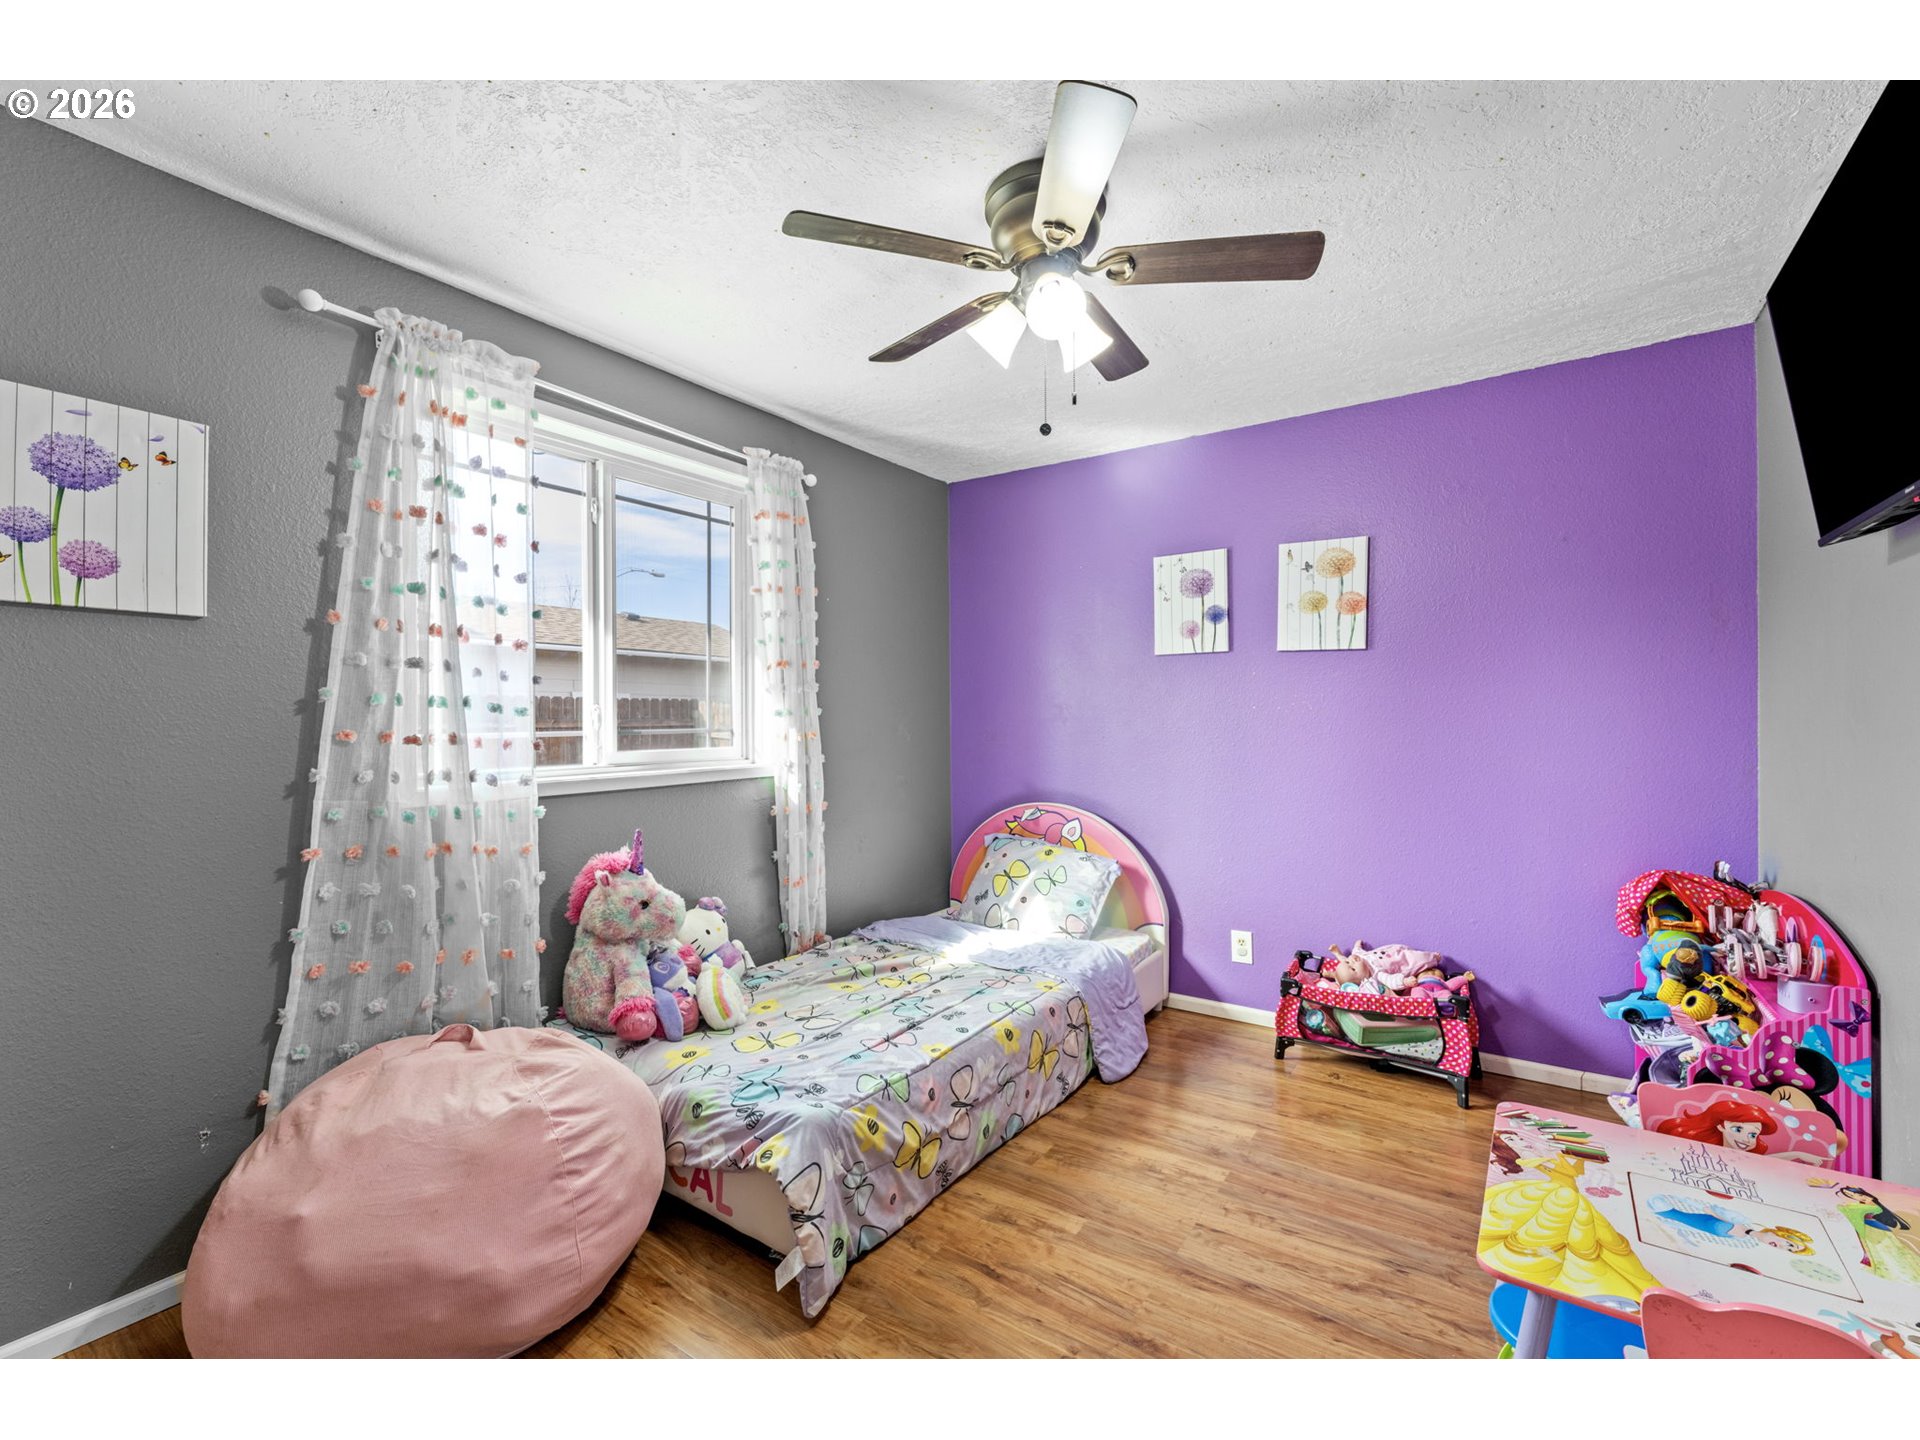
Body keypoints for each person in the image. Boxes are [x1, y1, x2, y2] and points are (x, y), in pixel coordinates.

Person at [1652, 1097, 1779, 1154]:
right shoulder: (1701, 1145)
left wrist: (1796, 1154)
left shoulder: (1748, 1153)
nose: (1746, 1139)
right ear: (1721, 1126)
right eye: (1738, 1129)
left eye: (1753, 1135)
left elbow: (1769, 1161)